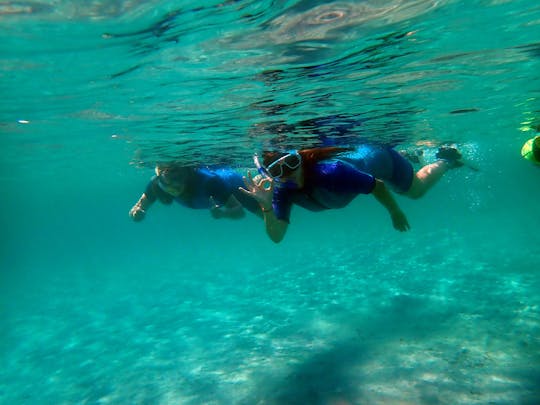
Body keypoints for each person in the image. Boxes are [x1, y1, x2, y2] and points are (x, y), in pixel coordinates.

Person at [239, 145, 463, 243]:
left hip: (380, 159)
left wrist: (394, 211)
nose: (289, 174)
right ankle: (408, 156)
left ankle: (446, 159)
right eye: (279, 171)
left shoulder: (331, 173)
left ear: (300, 159)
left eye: (291, 163)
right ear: (271, 176)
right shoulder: (282, 192)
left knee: (415, 191)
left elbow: (377, 185)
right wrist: (266, 206)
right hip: (361, 161)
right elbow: (277, 237)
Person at [129, 163, 261, 221]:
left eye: (177, 178)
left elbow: (239, 212)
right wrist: (138, 213)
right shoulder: (157, 185)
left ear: (186, 175)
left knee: (271, 216)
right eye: (169, 182)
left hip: (235, 186)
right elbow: (138, 208)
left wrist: (223, 214)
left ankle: (259, 181)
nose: (175, 187)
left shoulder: (210, 183)